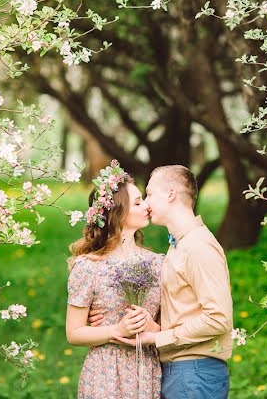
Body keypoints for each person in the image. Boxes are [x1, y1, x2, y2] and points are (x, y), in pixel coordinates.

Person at [93, 165, 234, 399]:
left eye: (149, 194)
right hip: (181, 372)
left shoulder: (199, 246)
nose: (146, 204)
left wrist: (157, 338)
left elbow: (219, 318)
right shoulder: (179, 245)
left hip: (194, 373)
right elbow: (185, 312)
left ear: (170, 194)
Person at [65, 161, 164, 399]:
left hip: (147, 369)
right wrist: (116, 330)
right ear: (118, 212)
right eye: (138, 202)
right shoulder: (88, 267)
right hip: (105, 374)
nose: (147, 207)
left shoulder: (159, 263)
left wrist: (154, 328)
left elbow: (168, 325)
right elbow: (74, 333)